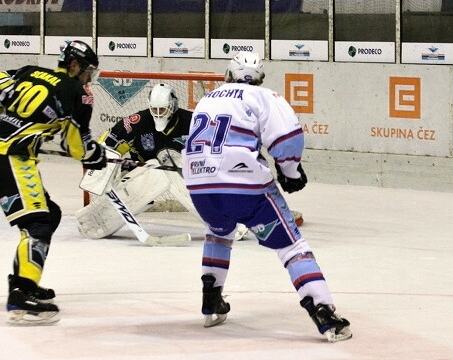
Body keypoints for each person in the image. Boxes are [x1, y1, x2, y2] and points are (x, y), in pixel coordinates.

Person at [182, 52, 352, 342]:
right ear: (259, 77)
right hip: (244, 186)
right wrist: (291, 172)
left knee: (218, 233)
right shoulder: (262, 96)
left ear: (228, 74)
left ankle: (211, 300)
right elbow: (287, 137)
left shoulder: (206, 99)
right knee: (291, 245)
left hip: (200, 187)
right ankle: (323, 313)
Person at [0, 40, 106, 325]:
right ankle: (21, 293)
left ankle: (24, 282)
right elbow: (75, 146)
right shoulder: (76, 92)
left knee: (50, 213)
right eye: (87, 72)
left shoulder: (27, 71)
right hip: (10, 159)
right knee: (39, 222)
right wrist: (96, 156)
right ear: (74, 65)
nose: (88, 80)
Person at [76, 83, 304, 242]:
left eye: (163, 109)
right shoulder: (137, 121)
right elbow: (107, 143)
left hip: (190, 175)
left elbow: (220, 150)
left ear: (173, 106)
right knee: (159, 167)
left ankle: (238, 216)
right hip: (145, 175)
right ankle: (95, 220)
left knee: (177, 165)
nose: (158, 113)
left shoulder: (193, 121)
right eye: (154, 109)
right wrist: (107, 166)